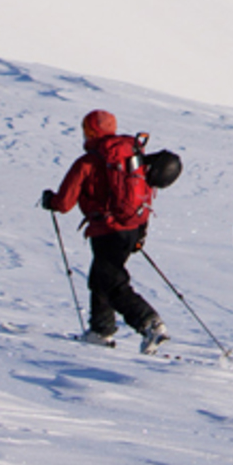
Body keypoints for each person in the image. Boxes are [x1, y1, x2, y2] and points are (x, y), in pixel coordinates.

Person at [42, 108, 169, 353]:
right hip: (133, 227)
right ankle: (101, 331)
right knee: (101, 277)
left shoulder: (88, 162)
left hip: (107, 230)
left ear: (91, 132)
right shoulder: (129, 157)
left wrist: (50, 201)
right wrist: (140, 231)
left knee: (112, 283)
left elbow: (64, 203)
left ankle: (150, 324)